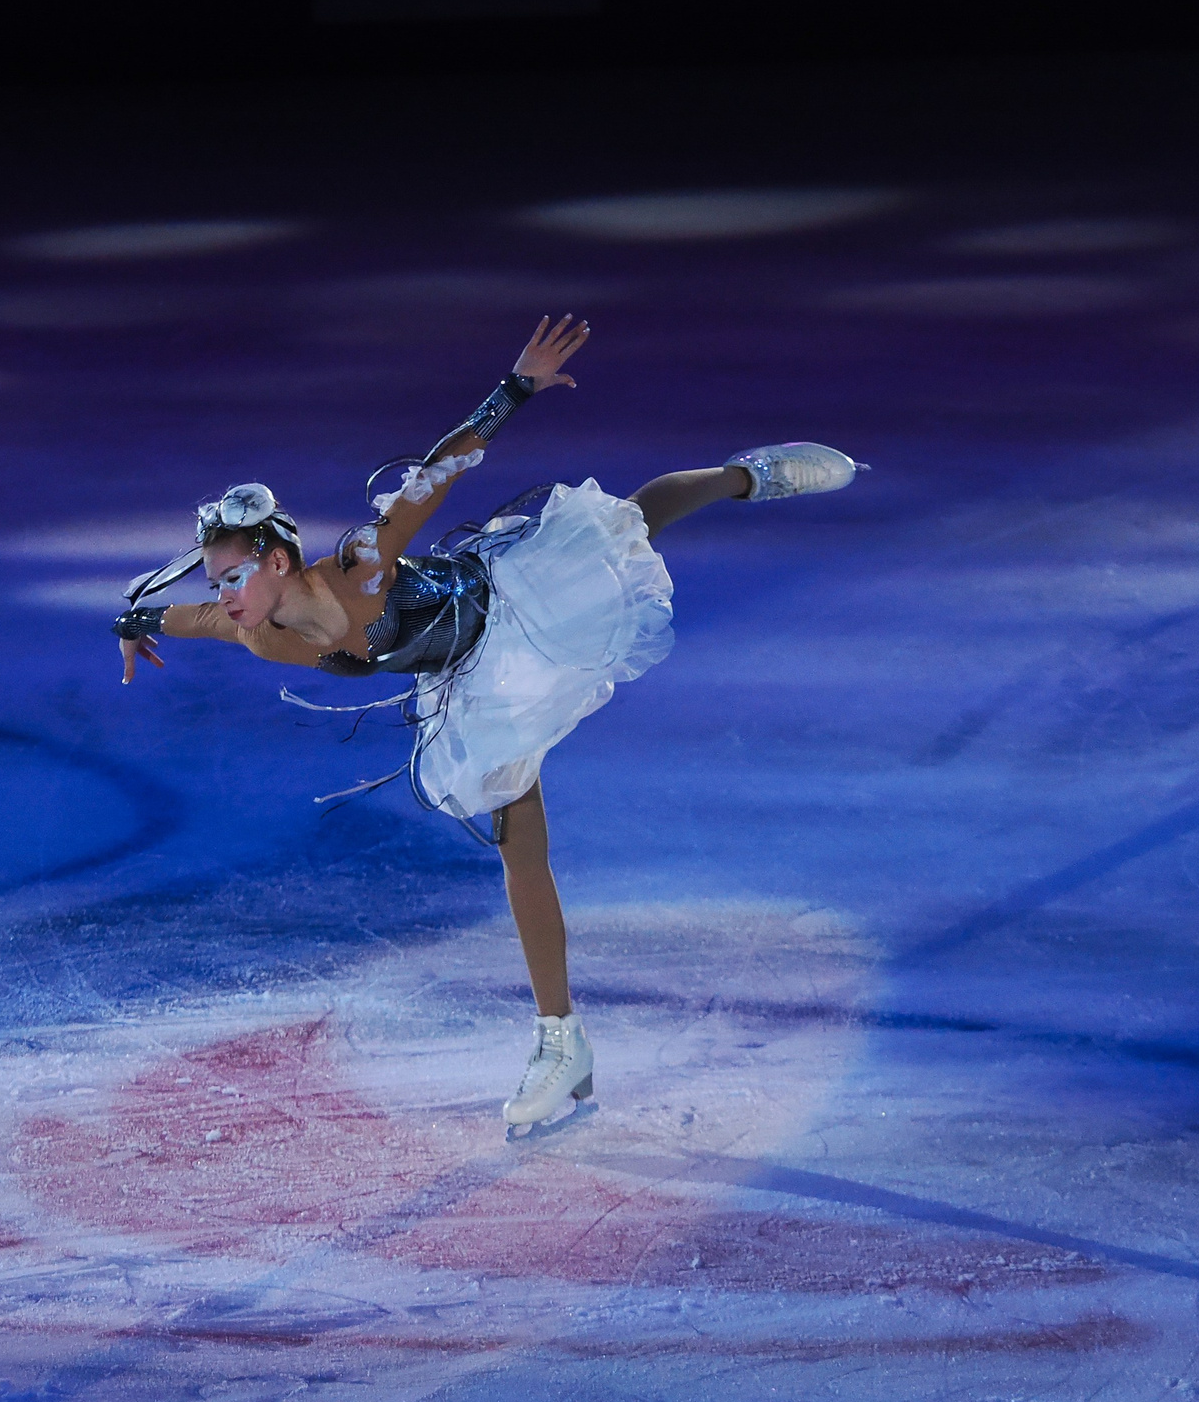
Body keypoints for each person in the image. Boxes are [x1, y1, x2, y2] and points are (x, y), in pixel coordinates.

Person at [112, 318, 862, 1135]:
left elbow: (435, 477)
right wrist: (133, 621)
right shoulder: (257, 632)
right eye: (219, 580)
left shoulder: (361, 564)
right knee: (518, 835)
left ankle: (746, 476)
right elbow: (183, 617)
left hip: (509, 603)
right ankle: (561, 1036)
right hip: (472, 684)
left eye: (232, 575)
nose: (222, 592)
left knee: (636, 519)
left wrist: (517, 387)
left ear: (280, 561)